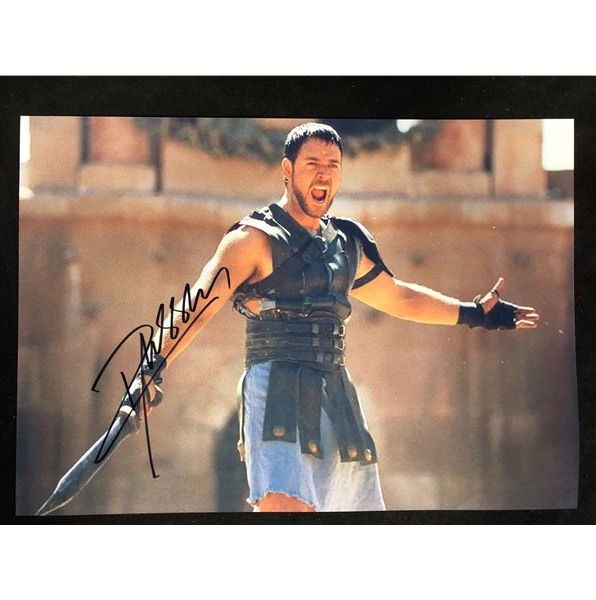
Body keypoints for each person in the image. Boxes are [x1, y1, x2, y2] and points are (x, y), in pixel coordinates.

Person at [138, 122, 539, 513]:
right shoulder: (252, 239)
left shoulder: (345, 244)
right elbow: (195, 308)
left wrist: (475, 313)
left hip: (336, 395)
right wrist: (149, 369)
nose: (324, 174)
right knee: (285, 510)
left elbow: (399, 297)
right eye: (313, 163)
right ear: (287, 169)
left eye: (333, 165)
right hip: (277, 393)